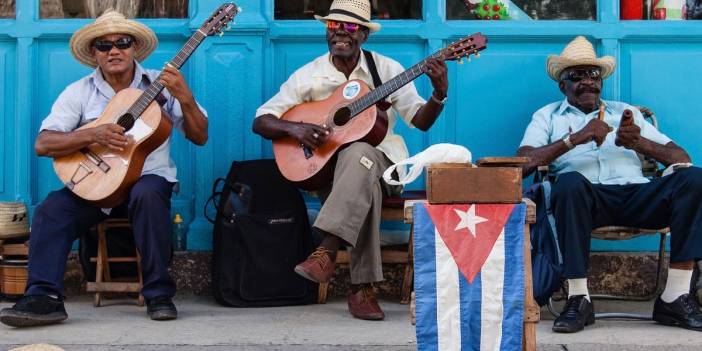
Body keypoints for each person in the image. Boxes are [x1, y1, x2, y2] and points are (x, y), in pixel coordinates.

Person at [0, 10, 208, 327]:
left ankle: (159, 294)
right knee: (50, 210)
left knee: (148, 194)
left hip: (146, 181)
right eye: (103, 45)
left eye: (122, 42)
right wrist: (92, 134)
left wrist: (187, 98)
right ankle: (44, 297)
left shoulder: (163, 85)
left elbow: (200, 136)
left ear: (134, 47)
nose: (114, 50)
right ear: (94, 53)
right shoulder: (79, 91)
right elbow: (43, 144)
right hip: (97, 187)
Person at [252, 0, 448, 320]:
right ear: (327, 31)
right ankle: (362, 289)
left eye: (352, 27)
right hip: (330, 174)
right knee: (360, 176)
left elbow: (421, 120)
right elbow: (261, 121)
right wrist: (297, 128)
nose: (342, 32)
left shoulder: (385, 70)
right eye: (335, 26)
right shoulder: (309, 76)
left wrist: (439, 94)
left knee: (360, 154)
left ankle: (326, 249)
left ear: (364, 36)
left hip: (388, 167)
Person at [518, 36, 702, 333]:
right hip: (586, 201)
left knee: (694, 178)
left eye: (593, 75)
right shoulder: (547, 116)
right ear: (561, 85)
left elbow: (682, 157)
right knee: (567, 184)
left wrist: (637, 141)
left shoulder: (624, 111)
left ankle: (675, 297)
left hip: (637, 195)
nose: (587, 82)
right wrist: (575, 138)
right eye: (576, 76)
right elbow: (523, 164)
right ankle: (579, 299)